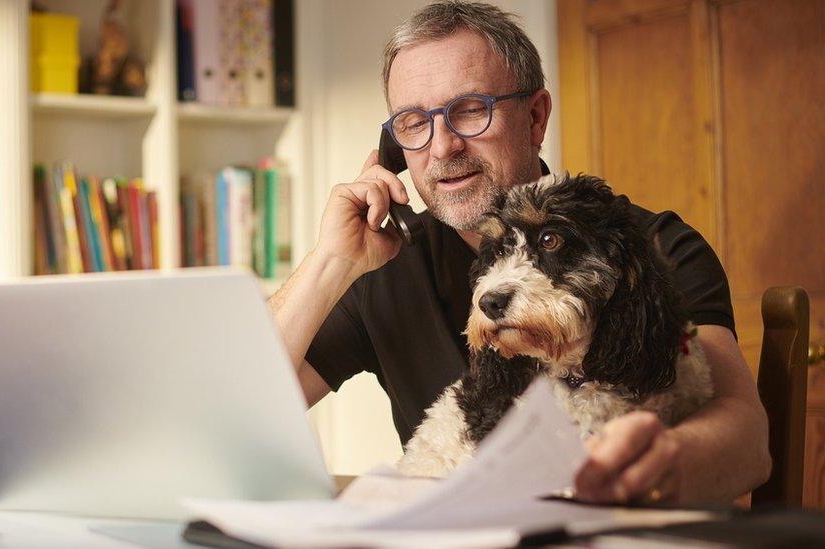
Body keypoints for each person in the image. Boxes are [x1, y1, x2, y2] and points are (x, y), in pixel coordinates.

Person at [268, 0, 770, 505]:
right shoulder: (384, 262)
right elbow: (229, 406)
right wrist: (331, 262)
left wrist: (646, 469)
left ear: (535, 117)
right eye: (414, 122)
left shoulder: (651, 247)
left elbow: (747, 441)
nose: (442, 148)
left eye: (469, 110)